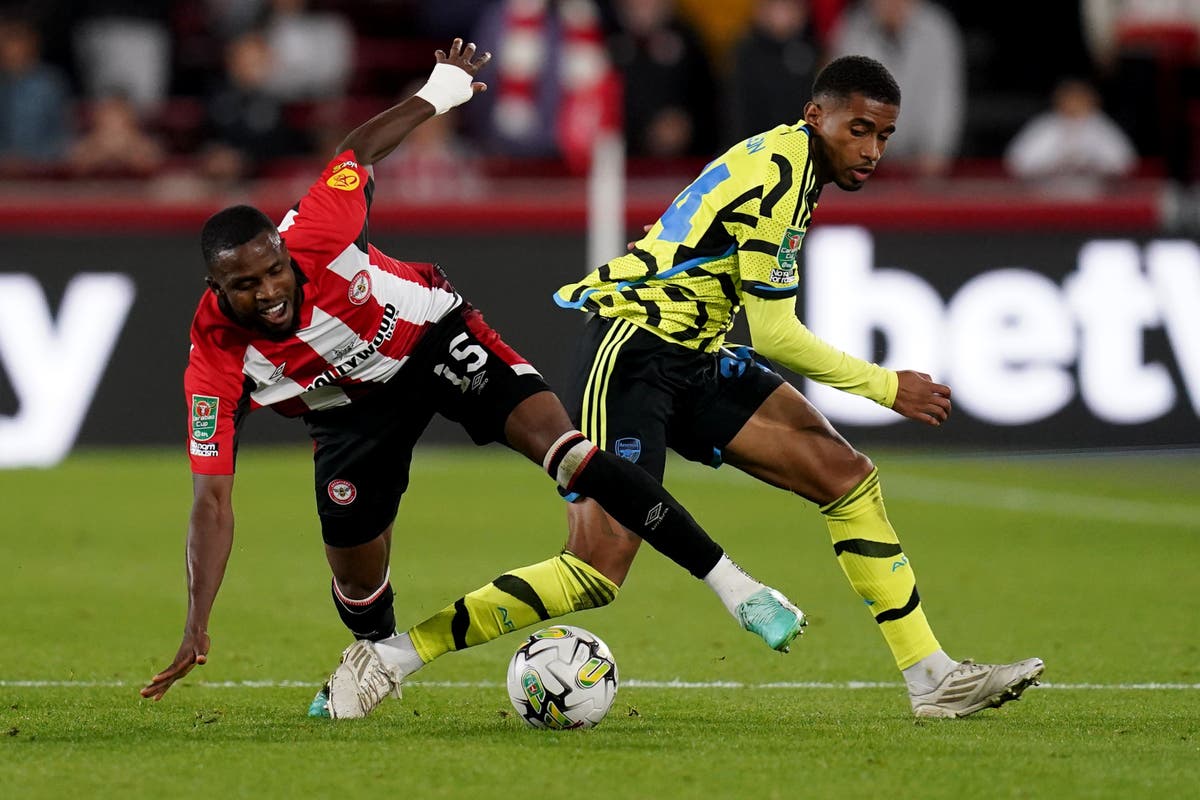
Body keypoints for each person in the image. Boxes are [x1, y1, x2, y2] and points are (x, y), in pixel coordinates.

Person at [140, 39, 805, 719]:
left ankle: (738, 587)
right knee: (356, 576)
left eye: (274, 271)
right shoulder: (215, 356)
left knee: (571, 451)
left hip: (435, 340)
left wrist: (437, 93)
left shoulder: (318, 229)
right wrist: (197, 621)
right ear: (216, 289)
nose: (271, 292)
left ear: (284, 252)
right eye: (246, 286)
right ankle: (377, 655)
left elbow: (357, 151)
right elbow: (211, 502)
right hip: (348, 411)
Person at [546, 54, 1044, 719]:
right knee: (598, 567)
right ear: (818, 116)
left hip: (694, 356)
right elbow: (775, 335)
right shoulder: (782, 176)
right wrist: (885, 385)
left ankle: (933, 677)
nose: (871, 151)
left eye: (883, 137)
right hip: (634, 348)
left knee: (844, 475)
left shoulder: (799, 165)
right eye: (859, 130)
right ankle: (399, 650)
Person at [830, 0, 965, 178]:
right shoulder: (853, 28)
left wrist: (937, 148)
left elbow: (944, 98)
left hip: (922, 162)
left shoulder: (936, 29)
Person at [1004, 77, 1137, 192]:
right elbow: (1018, 161)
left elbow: (1124, 161)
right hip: (1047, 193)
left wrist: (1089, 163)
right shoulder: (1045, 125)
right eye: (1069, 98)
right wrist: (1056, 162)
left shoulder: (1101, 125)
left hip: (1096, 193)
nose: (1074, 103)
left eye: (1079, 98)